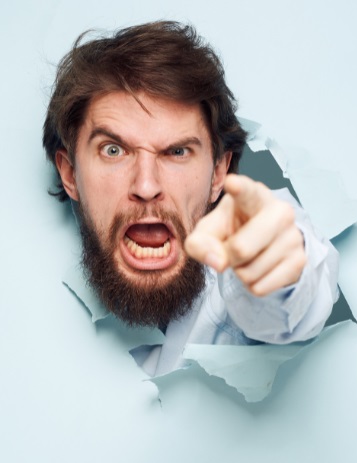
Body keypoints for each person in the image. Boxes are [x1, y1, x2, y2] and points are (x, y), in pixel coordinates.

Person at [42, 21, 338, 374]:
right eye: (113, 150)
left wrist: (277, 272)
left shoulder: (238, 274)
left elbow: (292, 297)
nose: (147, 185)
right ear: (70, 173)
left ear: (218, 174)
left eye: (178, 151)